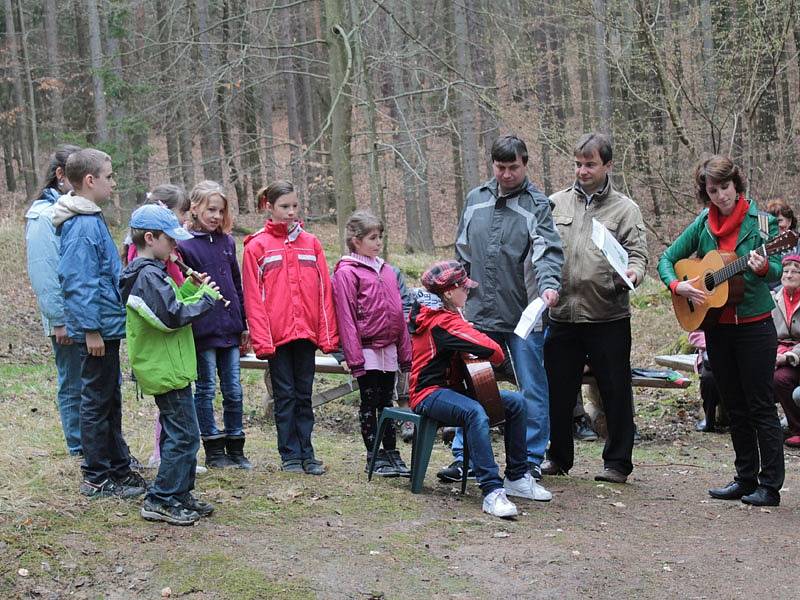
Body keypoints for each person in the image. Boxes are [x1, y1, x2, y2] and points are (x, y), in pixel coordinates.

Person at [658, 154, 785, 507]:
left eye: (725, 188)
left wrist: (761, 268)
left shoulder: (761, 223)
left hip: (755, 326)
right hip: (717, 328)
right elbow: (666, 260)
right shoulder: (703, 223)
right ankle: (745, 478)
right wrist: (676, 286)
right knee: (735, 404)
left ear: (736, 184)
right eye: (713, 190)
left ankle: (770, 485)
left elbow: (777, 267)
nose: (720, 196)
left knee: (760, 404)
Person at [441, 134, 563, 483]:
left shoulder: (537, 204)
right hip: (478, 313)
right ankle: (465, 456)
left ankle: (529, 460)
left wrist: (550, 285)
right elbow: (461, 253)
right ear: (491, 165)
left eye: (513, 167)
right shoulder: (475, 200)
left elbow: (548, 251)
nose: (506, 174)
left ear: (525, 164)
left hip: (524, 315)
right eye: (500, 167)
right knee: (472, 385)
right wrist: (452, 290)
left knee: (532, 387)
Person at [543, 132, 648, 484]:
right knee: (558, 390)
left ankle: (617, 462)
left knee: (615, 390)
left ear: (607, 165)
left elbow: (638, 254)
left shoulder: (625, 209)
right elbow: (542, 250)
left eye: (590, 164)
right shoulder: (555, 203)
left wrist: (633, 272)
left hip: (607, 314)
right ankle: (557, 457)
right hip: (562, 314)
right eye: (577, 164)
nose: (582, 171)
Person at [409, 260, 552, 518]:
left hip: (450, 391)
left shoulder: (449, 314)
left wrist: (467, 335)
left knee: (515, 403)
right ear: (449, 293)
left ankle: (517, 477)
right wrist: (470, 337)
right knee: (475, 412)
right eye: (464, 288)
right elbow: (495, 352)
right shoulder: (442, 321)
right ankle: (491, 491)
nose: (468, 292)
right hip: (427, 393)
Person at [52, 148, 147, 498]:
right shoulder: (80, 225)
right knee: (96, 400)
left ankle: (117, 467)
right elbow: (79, 281)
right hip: (97, 331)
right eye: (109, 176)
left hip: (106, 325)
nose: (114, 182)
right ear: (90, 181)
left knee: (109, 398)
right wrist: (91, 329)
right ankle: (97, 476)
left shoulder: (91, 218)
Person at [120, 205, 221, 525]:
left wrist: (192, 289)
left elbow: (171, 303)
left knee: (179, 434)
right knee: (185, 436)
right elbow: (171, 317)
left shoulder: (154, 271)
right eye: (171, 241)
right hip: (163, 368)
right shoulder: (146, 274)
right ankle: (161, 498)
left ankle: (178, 492)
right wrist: (205, 299)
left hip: (171, 366)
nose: (176, 248)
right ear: (150, 238)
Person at [242, 181, 339, 475]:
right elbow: (253, 300)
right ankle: (290, 455)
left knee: (304, 394)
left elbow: (325, 292)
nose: (291, 212)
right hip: (277, 335)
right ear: (268, 207)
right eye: (285, 207)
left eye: (295, 206)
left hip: (306, 333)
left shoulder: (311, 243)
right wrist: (263, 340)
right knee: (284, 395)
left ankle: (308, 453)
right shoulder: (256, 246)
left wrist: (327, 335)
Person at [332, 210, 412, 477]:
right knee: (369, 401)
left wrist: (404, 351)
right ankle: (373, 454)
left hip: (387, 346)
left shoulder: (387, 270)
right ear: (356, 240)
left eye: (380, 237)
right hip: (365, 349)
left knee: (386, 402)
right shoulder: (347, 272)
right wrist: (352, 358)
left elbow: (399, 312)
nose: (378, 243)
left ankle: (391, 452)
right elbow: (346, 317)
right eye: (372, 238)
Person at [177, 181, 251, 469]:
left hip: (230, 327)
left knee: (233, 388)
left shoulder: (227, 242)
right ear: (195, 208)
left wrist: (243, 322)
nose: (216, 216)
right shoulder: (183, 245)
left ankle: (236, 444)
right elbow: (184, 288)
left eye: (221, 211)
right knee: (206, 388)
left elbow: (236, 285)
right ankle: (213, 447)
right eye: (211, 210)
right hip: (203, 329)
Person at [25, 144, 83, 456]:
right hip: (64, 316)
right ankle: (77, 445)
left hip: (84, 312)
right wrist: (58, 319)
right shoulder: (42, 216)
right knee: (72, 381)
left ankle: (92, 441)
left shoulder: (75, 210)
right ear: (60, 175)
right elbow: (44, 272)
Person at [770, 254, 800, 448]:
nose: (788, 275)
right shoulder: (773, 298)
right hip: (778, 350)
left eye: (795, 271)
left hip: (796, 354)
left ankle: (797, 428)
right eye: (785, 271)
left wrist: (789, 356)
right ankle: (768, 427)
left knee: (780, 378)